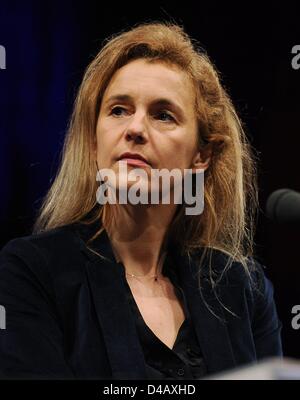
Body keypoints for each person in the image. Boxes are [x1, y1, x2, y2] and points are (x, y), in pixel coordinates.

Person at [0, 21, 282, 380]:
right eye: (118, 110)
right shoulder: (32, 272)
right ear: (94, 140)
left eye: (163, 115)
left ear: (202, 155)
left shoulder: (244, 289)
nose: (133, 128)